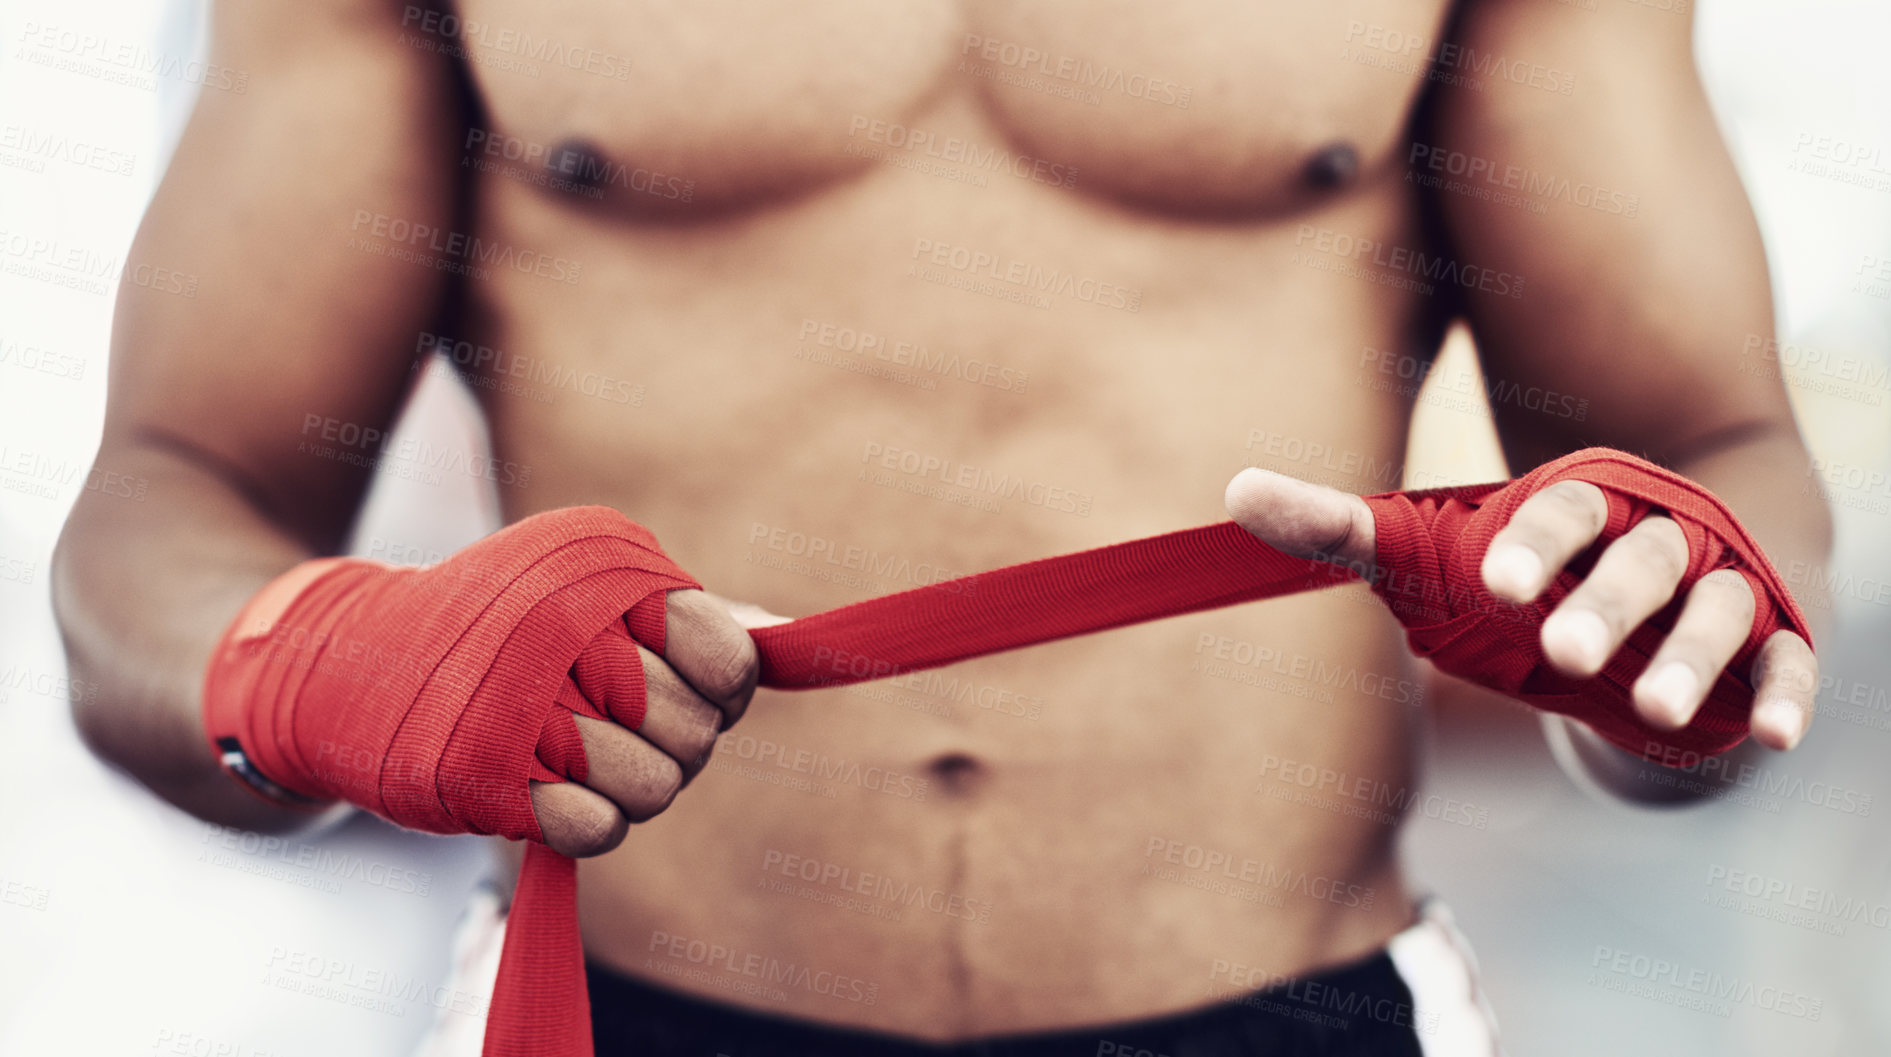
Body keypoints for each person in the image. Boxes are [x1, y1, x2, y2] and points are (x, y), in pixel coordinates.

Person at [53, 0, 1829, 1053]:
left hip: (1298, 1020)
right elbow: (161, 516)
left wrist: (1672, 640)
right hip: (630, 1018)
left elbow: (1710, 454)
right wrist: (319, 667)